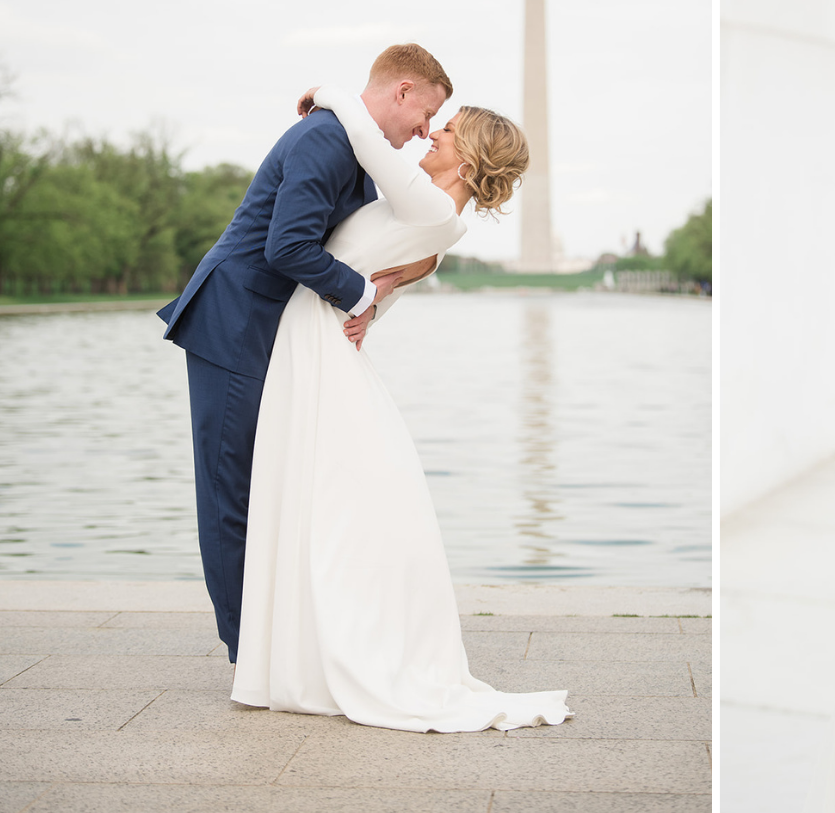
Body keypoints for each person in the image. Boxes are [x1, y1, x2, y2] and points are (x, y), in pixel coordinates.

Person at [230, 82, 571, 733]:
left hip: (316, 348)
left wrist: (329, 93)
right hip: (317, 342)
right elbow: (382, 282)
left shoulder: (430, 208)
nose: (432, 132)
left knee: (326, 504)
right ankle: (311, 647)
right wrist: (369, 301)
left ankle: (325, 650)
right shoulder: (436, 223)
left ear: (466, 160)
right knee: (327, 503)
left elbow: (364, 135)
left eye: (446, 130)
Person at [158, 43, 450, 662]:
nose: (425, 132)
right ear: (401, 91)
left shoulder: (351, 142)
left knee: (268, 484)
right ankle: (247, 651)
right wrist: (362, 294)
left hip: (272, 329)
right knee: (229, 488)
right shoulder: (327, 140)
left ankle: (275, 635)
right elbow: (286, 248)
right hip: (236, 322)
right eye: (425, 115)